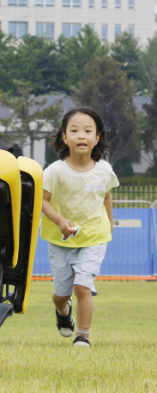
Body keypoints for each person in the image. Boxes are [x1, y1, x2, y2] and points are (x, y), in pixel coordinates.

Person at [41, 107, 119, 347]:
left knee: (83, 286)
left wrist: (109, 222)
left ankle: (82, 336)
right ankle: (63, 311)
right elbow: (42, 200)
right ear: (65, 137)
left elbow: (106, 197)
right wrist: (59, 221)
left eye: (88, 131)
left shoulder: (104, 169)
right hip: (60, 240)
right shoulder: (55, 171)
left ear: (97, 138)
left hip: (94, 238)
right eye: (74, 130)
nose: (81, 135)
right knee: (61, 294)